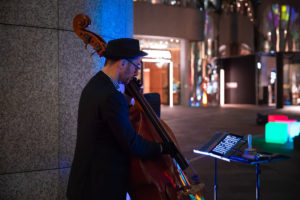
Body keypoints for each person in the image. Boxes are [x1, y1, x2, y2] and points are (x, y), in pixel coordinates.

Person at [67, 38, 176, 200]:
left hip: (84, 182)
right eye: (136, 66)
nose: (136, 72)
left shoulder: (94, 85)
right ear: (123, 63)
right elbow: (131, 143)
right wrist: (162, 148)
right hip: (100, 188)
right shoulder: (112, 97)